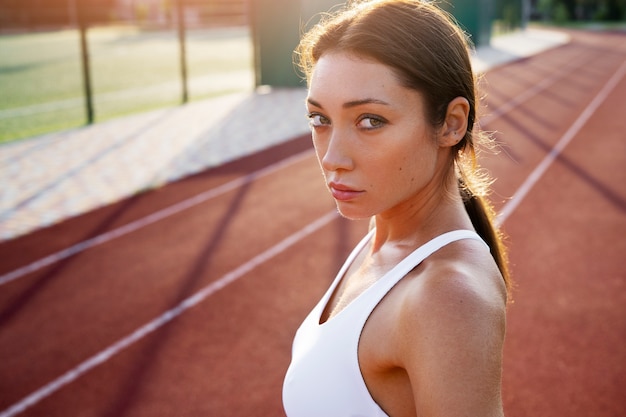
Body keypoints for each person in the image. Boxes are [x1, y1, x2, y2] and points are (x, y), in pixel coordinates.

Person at [282, 0, 511, 416]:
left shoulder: (446, 297)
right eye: (319, 119)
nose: (333, 157)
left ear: (451, 124)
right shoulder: (382, 242)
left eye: (370, 120)